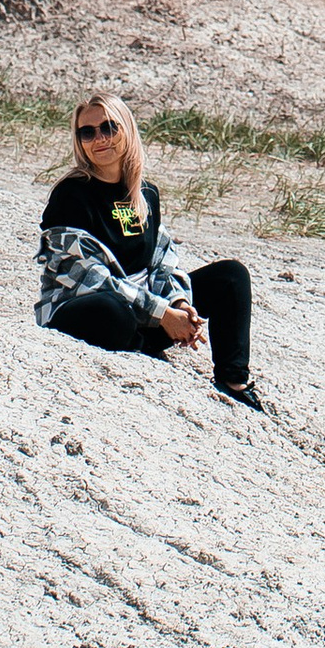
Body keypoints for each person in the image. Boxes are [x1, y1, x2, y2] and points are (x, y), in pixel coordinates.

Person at [36, 89, 264, 413]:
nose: (99, 139)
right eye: (87, 132)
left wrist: (179, 304)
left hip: (143, 314)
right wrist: (163, 314)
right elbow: (90, 279)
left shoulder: (145, 194)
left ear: (127, 129)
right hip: (84, 308)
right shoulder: (71, 195)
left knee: (231, 276)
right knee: (111, 309)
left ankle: (233, 380)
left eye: (108, 128)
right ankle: (144, 346)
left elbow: (161, 264)